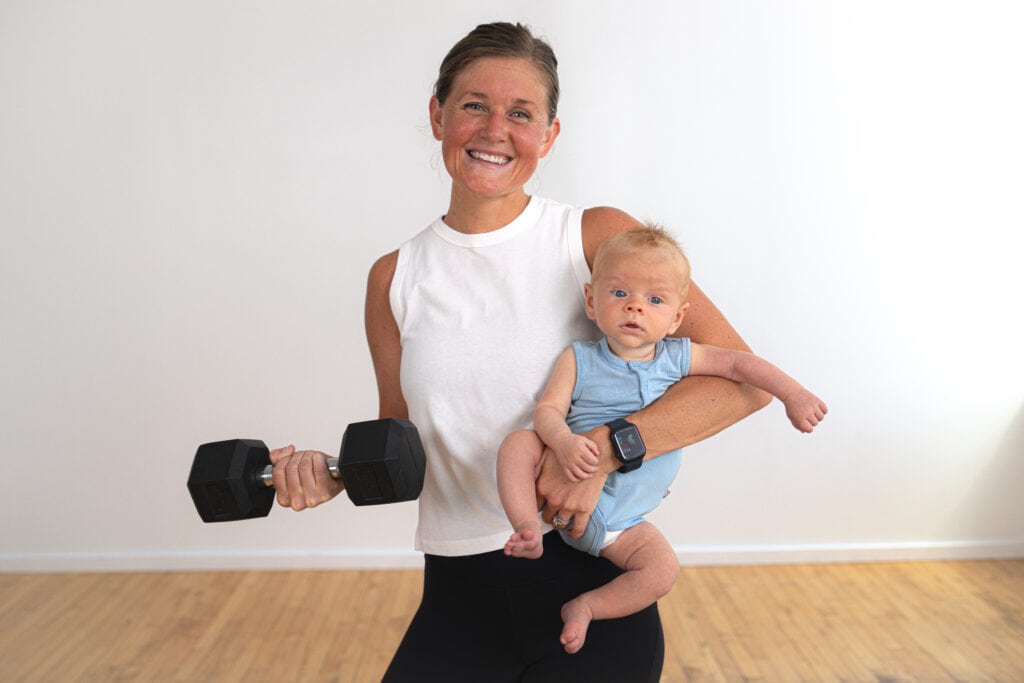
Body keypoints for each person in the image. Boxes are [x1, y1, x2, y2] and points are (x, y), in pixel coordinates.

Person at [267, 22, 772, 681]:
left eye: (521, 113)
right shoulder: (393, 277)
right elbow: (406, 446)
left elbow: (742, 382)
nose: (494, 130)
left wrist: (604, 452)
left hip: (586, 585)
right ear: (437, 115)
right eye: (474, 104)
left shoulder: (595, 238)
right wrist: (327, 473)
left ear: (549, 136)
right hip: (457, 601)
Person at [497, 224, 827, 654]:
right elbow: (548, 411)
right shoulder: (579, 357)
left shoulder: (678, 358)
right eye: (619, 293)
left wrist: (793, 393)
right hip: (558, 486)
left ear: (676, 318)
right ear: (591, 301)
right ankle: (526, 529)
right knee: (517, 445)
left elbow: (738, 366)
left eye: (654, 300)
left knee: (661, 571)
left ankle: (588, 608)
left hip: (622, 525)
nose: (635, 306)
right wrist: (562, 443)